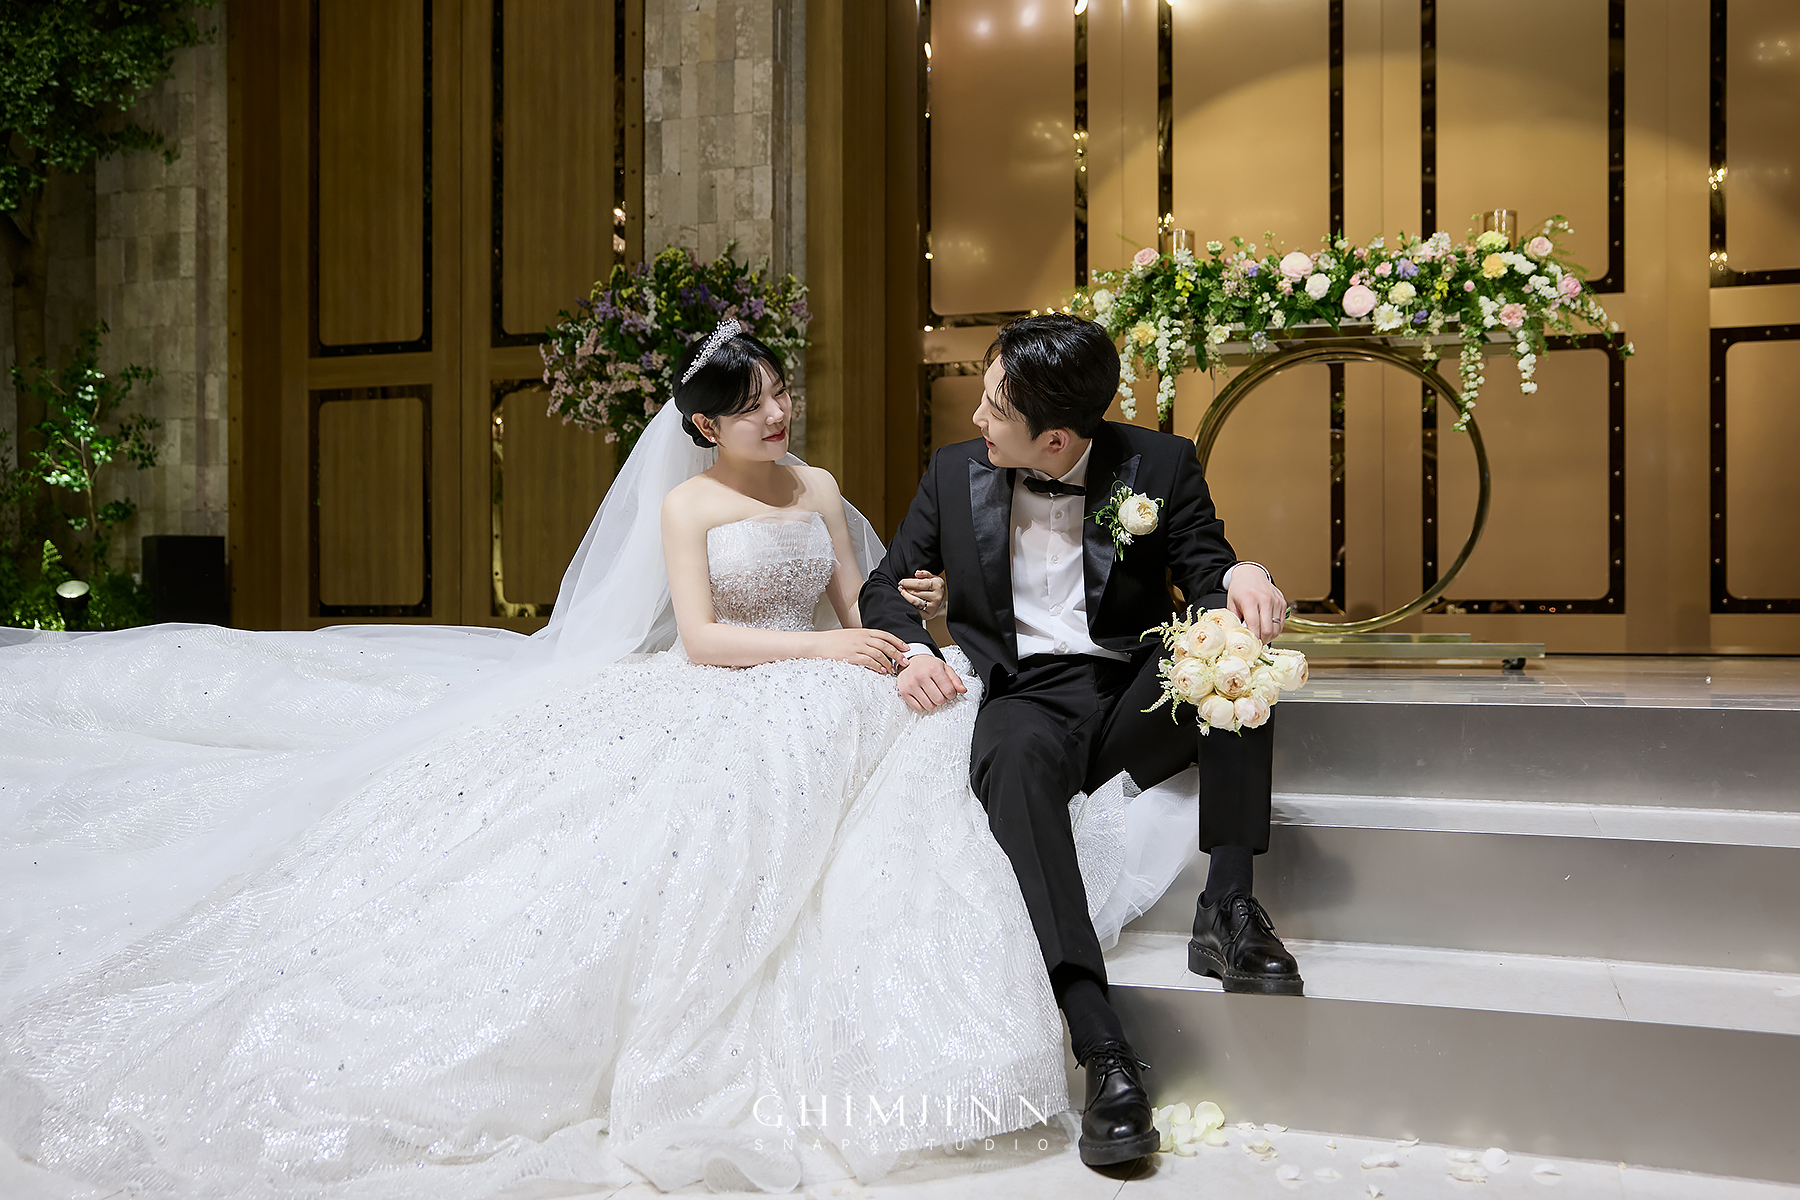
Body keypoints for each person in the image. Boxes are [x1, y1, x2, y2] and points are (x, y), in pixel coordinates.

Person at [0, 320, 1070, 1199]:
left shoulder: (819, 486)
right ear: (705, 425)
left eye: (779, 392)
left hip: (831, 673)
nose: (776, 414)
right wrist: (826, 650)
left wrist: (900, 643)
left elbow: (855, 601)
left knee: (923, 740)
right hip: (733, 683)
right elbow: (703, 640)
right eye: (750, 405)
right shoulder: (690, 503)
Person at [860, 312, 1305, 1170]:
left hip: (1134, 689)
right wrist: (913, 648)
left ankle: (1228, 904)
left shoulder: (1160, 464)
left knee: (1233, 652)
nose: (977, 419)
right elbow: (886, 584)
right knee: (1013, 760)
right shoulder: (955, 472)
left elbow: (1207, 571)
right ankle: (1101, 1044)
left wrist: (1246, 574)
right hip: (1027, 694)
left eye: (995, 409)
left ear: (1056, 438)